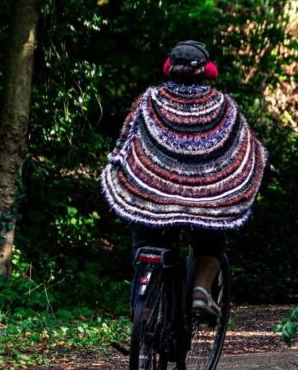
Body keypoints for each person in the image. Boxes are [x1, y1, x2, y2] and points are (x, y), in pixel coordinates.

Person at [100, 40, 267, 319]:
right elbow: (247, 147)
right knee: (211, 234)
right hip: (205, 199)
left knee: (145, 236)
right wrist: (264, 166)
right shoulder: (223, 106)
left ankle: (145, 309)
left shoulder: (149, 100)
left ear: (168, 68)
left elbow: (124, 142)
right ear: (208, 71)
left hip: (152, 196)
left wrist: (119, 165)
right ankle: (201, 291)